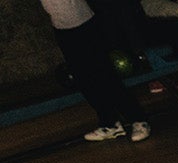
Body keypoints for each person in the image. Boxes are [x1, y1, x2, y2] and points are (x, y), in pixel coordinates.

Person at [40, 0, 150, 142]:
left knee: (104, 75)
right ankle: (109, 123)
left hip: (84, 24)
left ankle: (138, 119)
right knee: (84, 80)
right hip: (61, 27)